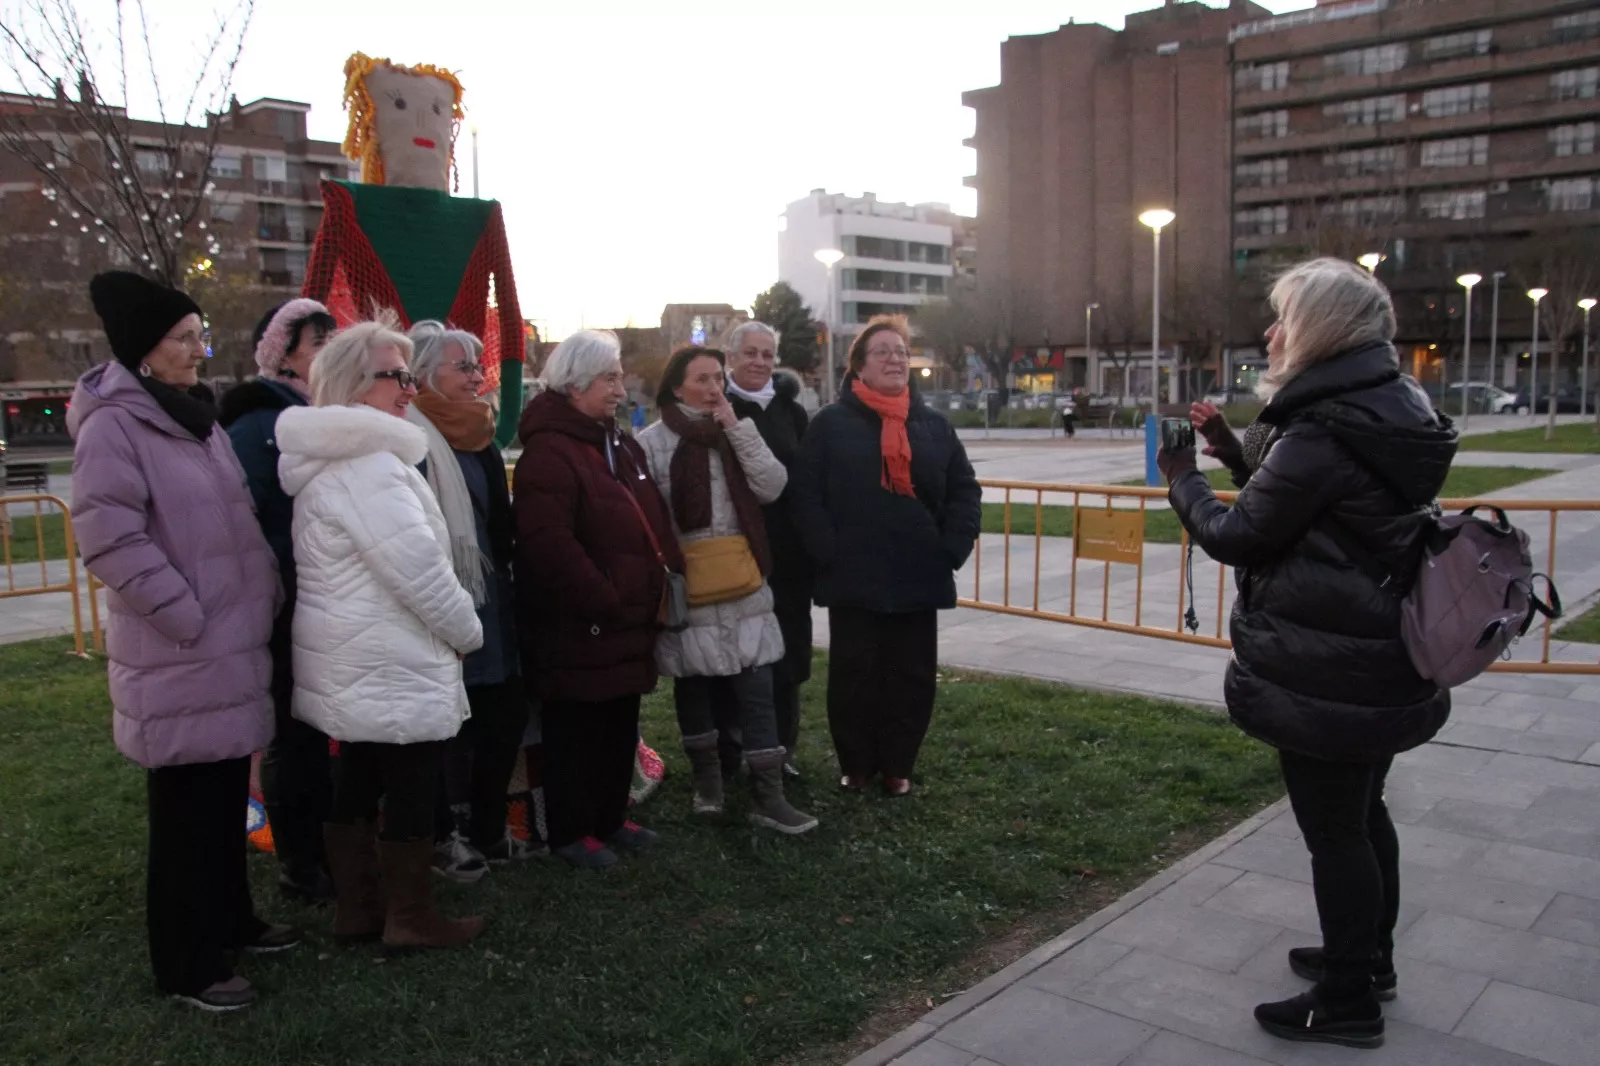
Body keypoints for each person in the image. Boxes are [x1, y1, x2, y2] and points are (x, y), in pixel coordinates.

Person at [1158, 257, 1457, 1050]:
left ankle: (1348, 998)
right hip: (1377, 650)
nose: (1270, 331)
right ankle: (1368, 959)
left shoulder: (1322, 427)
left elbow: (1237, 533)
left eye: (1284, 317)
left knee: (1336, 833)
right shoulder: (1388, 405)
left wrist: (1182, 477)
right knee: (1364, 816)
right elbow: (1318, 502)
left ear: (1321, 330)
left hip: (1334, 664)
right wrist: (1230, 448)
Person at [69, 271, 298, 1012]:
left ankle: (231, 919)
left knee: (226, 796)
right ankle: (186, 961)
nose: (199, 349)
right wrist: (185, 613)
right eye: (183, 338)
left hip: (230, 646)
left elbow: (234, 521)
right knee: (184, 817)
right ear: (144, 351)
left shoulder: (195, 419)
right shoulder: (114, 426)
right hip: (181, 651)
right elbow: (108, 537)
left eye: (199, 334)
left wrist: (259, 592)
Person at [276, 318, 486, 950]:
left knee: (363, 772)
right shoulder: (369, 467)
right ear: (354, 384)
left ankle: (361, 910)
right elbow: (419, 571)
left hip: (359, 651)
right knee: (412, 779)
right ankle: (410, 917)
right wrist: (467, 632)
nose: (409, 389)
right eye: (395, 375)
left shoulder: (335, 460)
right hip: (390, 652)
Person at [790, 315, 981, 797]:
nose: (895, 359)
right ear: (859, 366)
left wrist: (951, 549)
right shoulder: (830, 424)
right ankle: (856, 763)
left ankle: (898, 764)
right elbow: (805, 494)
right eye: (883, 351)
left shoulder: (933, 425)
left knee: (911, 677)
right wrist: (827, 550)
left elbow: (964, 491)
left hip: (919, 573)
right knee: (854, 676)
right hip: (853, 575)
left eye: (900, 351)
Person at [512, 330, 678, 869]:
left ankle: (611, 818)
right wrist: (603, 597)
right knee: (575, 734)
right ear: (576, 384)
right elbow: (548, 543)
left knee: (617, 726)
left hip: (626, 620)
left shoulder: (614, 441)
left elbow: (646, 510)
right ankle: (571, 831)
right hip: (581, 625)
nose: (619, 387)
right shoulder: (550, 451)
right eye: (609, 377)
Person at [637, 345, 818, 834]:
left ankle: (768, 795)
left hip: (743, 579)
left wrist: (737, 429)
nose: (714, 387)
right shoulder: (651, 442)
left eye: (718, 378)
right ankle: (709, 786)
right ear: (677, 387)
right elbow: (649, 515)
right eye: (702, 379)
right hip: (688, 583)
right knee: (694, 687)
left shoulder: (737, 430)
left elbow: (772, 486)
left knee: (758, 688)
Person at [219, 298, 339, 904]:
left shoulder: (319, 416)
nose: (328, 353)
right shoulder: (258, 424)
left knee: (319, 735)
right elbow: (248, 521)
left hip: (325, 598)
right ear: (281, 351)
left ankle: (330, 849)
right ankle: (302, 861)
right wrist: (279, 589)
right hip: (287, 603)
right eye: (317, 342)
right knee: (294, 738)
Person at [405, 321, 533, 877]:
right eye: (464, 367)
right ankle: (441, 837)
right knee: (439, 726)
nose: (477, 378)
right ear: (425, 375)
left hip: (492, 604)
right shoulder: (408, 440)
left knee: (503, 717)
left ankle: (488, 828)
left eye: (477, 368)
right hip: (437, 607)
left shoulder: (480, 435)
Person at [711, 323, 815, 780]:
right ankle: (731, 749)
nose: (759, 362)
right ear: (731, 358)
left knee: (788, 655)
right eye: (749, 353)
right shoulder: (716, 409)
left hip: (789, 557)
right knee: (739, 653)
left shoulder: (792, 412)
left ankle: (782, 749)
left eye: (767, 354)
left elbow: (805, 481)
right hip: (737, 552)